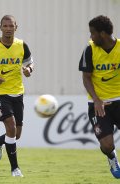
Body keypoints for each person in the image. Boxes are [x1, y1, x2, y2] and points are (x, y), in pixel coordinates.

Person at [0, 15, 34, 177]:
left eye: (11, 26)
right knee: (10, 126)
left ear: (16, 27)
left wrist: (29, 70)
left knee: (16, 134)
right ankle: (15, 169)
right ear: (0, 27)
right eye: (5, 26)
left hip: (17, 91)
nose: (8, 28)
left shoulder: (22, 45)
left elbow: (30, 62)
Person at [79, 15, 120, 179]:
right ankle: (112, 158)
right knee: (107, 144)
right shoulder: (90, 49)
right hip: (98, 103)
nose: (91, 36)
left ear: (102, 34)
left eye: (92, 33)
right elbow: (86, 77)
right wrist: (96, 99)